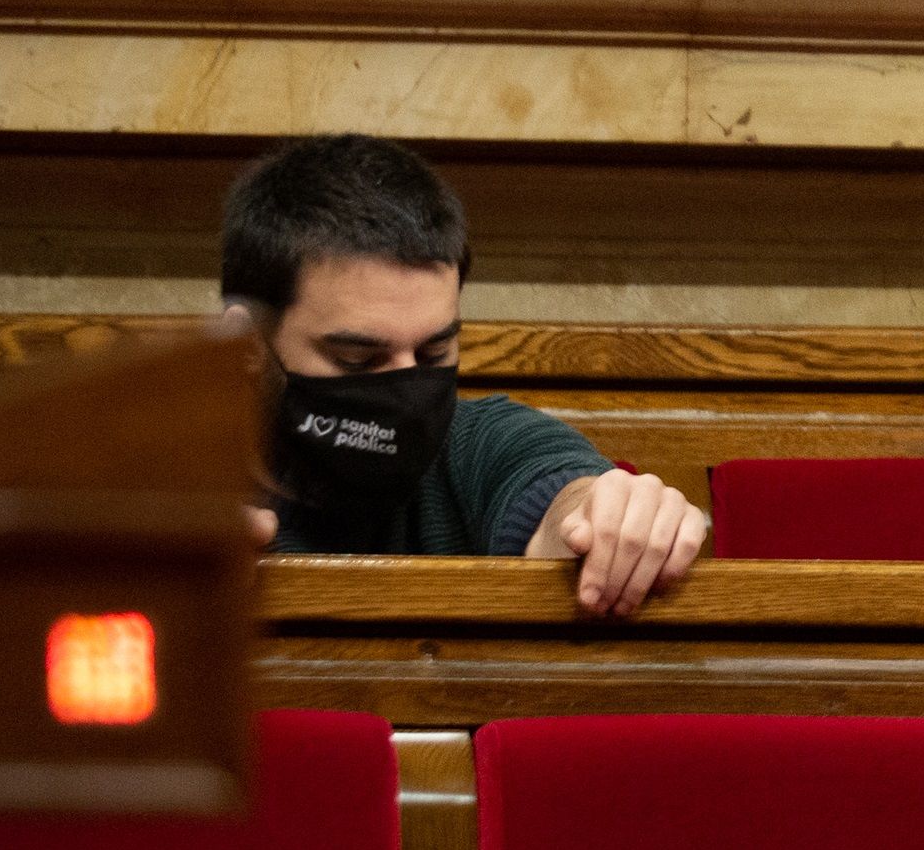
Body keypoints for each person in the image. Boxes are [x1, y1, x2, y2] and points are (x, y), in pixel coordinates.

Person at [223, 134, 710, 616]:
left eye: (435, 351)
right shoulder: (169, 474)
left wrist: (603, 516)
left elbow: (561, 494)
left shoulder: (484, 441)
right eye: (357, 358)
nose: (406, 391)